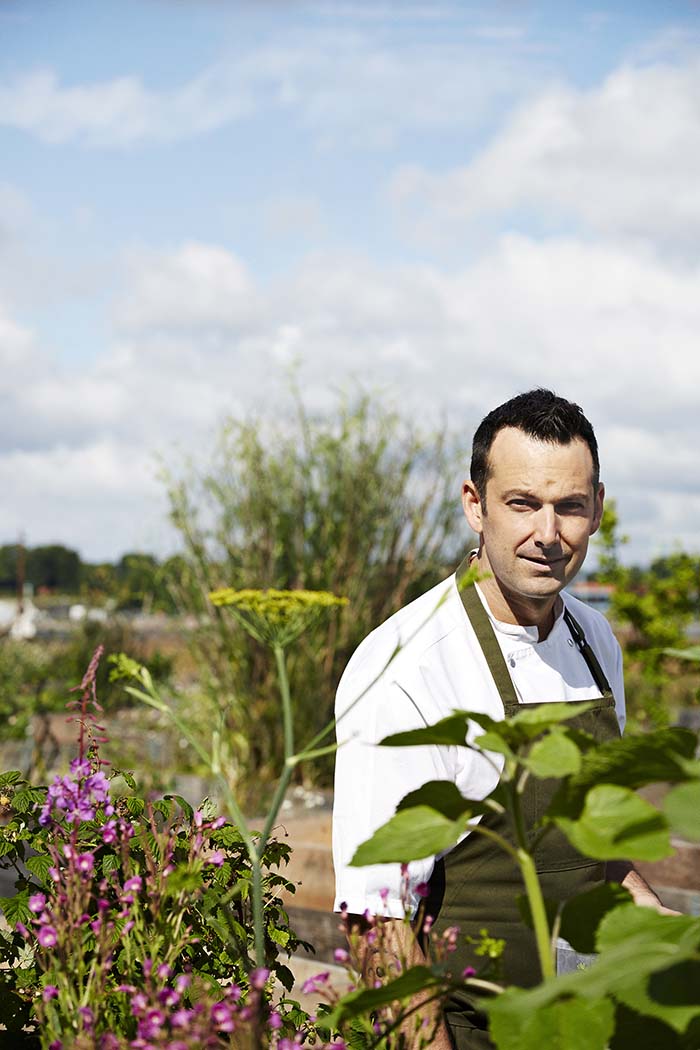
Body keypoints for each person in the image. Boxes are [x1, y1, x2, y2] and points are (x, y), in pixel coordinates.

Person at [332, 388, 667, 1049]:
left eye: (569, 506)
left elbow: (590, 851)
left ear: (597, 509)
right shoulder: (410, 665)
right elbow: (375, 919)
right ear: (474, 505)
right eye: (522, 504)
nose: (547, 534)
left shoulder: (596, 643)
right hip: (466, 1029)